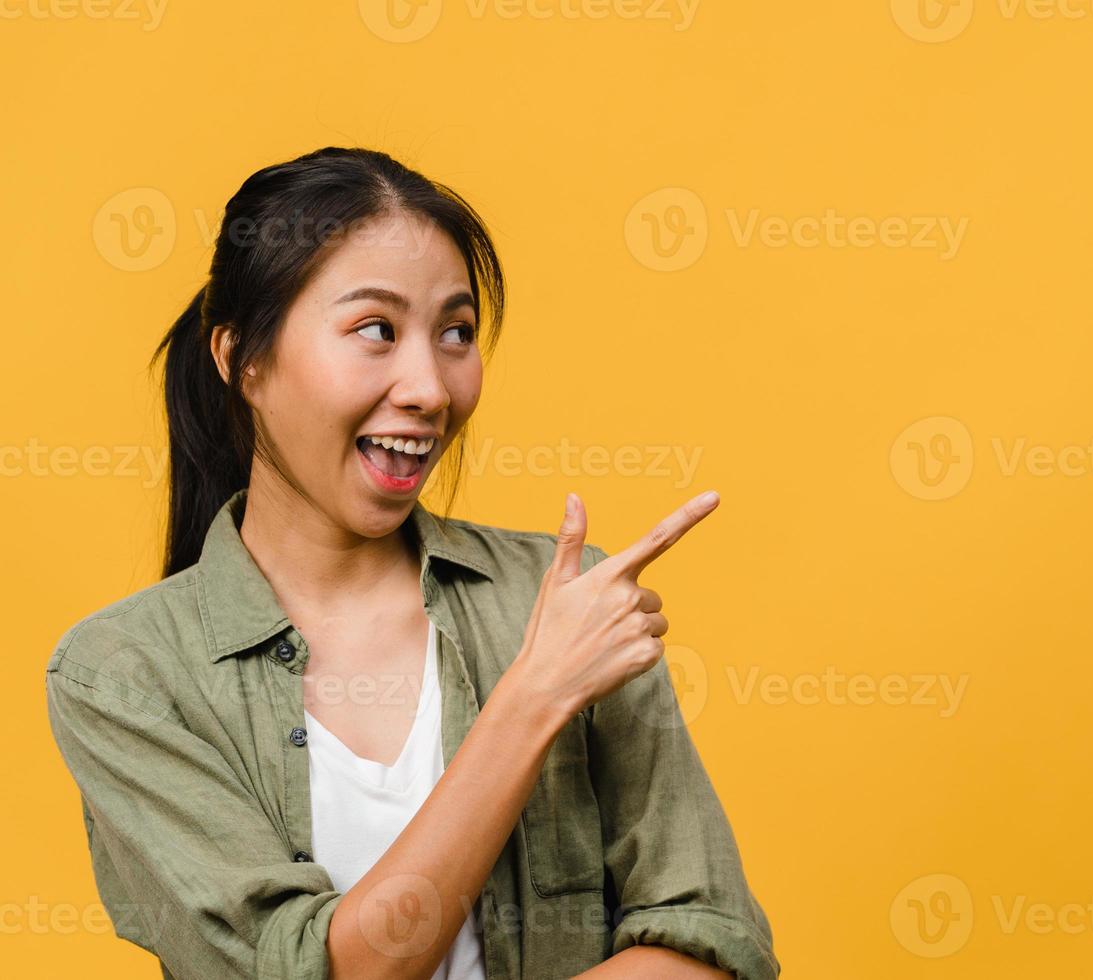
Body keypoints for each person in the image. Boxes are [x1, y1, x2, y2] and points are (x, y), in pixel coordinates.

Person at [44, 146, 779, 980]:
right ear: (242, 360)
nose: (430, 388)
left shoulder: (563, 606)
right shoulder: (122, 676)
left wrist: (555, 666)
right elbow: (311, 970)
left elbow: (711, 939)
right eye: (375, 331)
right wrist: (535, 694)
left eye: (456, 333)